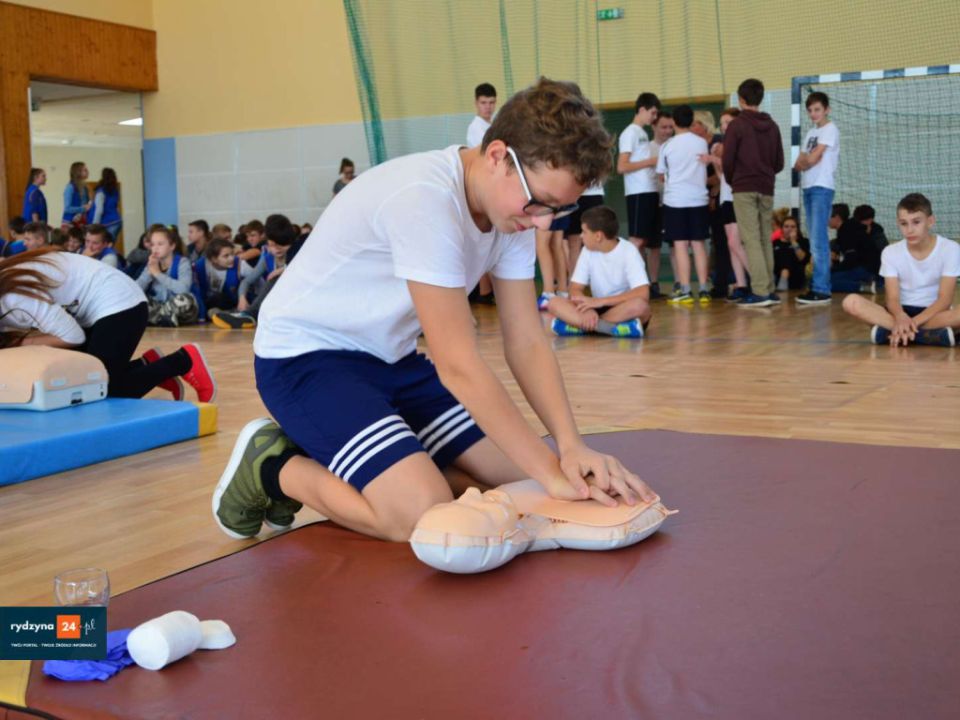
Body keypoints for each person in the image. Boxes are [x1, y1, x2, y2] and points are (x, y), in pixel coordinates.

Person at [212, 77, 657, 543]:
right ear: (497, 156)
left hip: (392, 361)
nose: (543, 221)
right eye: (540, 203)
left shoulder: (512, 215)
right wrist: (552, 474)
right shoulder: (425, 198)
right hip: (305, 359)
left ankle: (396, 462)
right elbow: (458, 365)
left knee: (519, 481)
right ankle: (272, 465)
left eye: (558, 211)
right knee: (418, 512)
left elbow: (526, 341)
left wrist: (569, 447)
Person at [0, 247, 215, 400]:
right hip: (98, 308)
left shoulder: (15, 299)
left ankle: (183, 360)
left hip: (122, 305)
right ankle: (146, 365)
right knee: (77, 376)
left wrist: (21, 343)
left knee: (103, 388)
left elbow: (73, 336)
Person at [842, 193, 959, 347]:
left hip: (934, 313)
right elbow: (892, 299)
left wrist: (911, 323)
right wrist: (900, 317)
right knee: (850, 302)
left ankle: (888, 332)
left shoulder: (950, 249)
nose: (909, 230)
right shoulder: (890, 252)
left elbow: (944, 300)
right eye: (904, 224)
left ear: (930, 221)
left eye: (916, 222)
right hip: (899, 312)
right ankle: (931, 336)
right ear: (898, 223)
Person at [722, 78, 785, 308]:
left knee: (750, 239)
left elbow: (727, 160)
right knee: (765, 238)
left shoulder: (737, 125)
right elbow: (779, 162)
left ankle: (760, 291)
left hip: (744, 188)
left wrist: (734, 180)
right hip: (766, 187)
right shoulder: (773, 126)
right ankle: (769, 289)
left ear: (741, 99)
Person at [547, 205, 650, 338]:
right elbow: (574, 288)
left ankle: (583, 327)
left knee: (641, 307)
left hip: (621, 308)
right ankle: (610, 328)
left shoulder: (629, 251)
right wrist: (587, 309)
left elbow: (643, 293)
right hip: (595, 309)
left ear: (598, 236)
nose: (581, 236)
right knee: (554, 302)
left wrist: (601, 301)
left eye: (584, 232)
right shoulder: (587, 251)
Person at [657, 105, 711, 304]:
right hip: (699, 199)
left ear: (674, 122)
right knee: (698, 244)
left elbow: (661, 175)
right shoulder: (701, 143)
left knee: (680, 245)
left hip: (675, 201)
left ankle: (685, 290)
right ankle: (704, 289)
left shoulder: (667, 146)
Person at [211, 214, 298, 330]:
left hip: (296, 297)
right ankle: (246, 314)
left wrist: (284, 270)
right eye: (272, 245)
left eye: (280, 244)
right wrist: (242, 298)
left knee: (275, 278)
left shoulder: (298, 251)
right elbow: (247, 281)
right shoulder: (267, 257)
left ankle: (250, 314)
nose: (276, 249)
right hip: (278, 301)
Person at [794, 92, 839, 305]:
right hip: (808, 187)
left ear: (827, 109)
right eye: (810, 110)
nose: (813, 114)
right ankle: (816, 286)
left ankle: (821, 289)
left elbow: (812, 158)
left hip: (822, 187)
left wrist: (809, 160)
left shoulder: (830, 129)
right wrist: (808, 161)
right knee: (813, 239)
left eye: (817, 109)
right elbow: (799, 162)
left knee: (819, 239)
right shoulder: (811, 133)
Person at [618, 93, 662, 291]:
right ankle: (625, 284)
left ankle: (642, 284)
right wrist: (650, 161)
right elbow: (622, 166)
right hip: (638, 192)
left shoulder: (642, 132)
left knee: (645, 240)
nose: (654, 117)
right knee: (636, 239)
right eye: (652, 113)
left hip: (650, 190)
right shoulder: (630, 133)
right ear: (642, 109)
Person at [711, 108, 750, 301]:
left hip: (738, 198)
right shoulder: (725, 145)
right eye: (722, 123)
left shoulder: (741, 144)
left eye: (728, 122)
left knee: (735, 242)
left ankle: (759, 281)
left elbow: (736, 172)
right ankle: (741, 285)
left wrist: (714, 158)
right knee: (731, 244)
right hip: (726, 198)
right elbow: (723, 177)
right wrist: (716, 162)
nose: (724, 126)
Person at [137, 225, 198, 327]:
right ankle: (165, 318)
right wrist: (149, 273)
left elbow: (183, 289)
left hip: (180, 308)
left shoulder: (182, 262)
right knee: (138, 302)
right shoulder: (151, 264)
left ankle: (159, 318)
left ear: (172, 246)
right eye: (152, 244)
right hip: (160, 305)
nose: (155, 248)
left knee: (186, 299)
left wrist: (158, 274)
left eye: (160, 244)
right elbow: (135, 289)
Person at [192, 237, 254, 316]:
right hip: (208, 303)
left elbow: (260, 283)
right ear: (214, 259)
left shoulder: (240, 264)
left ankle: (228, 314)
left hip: (235, 303)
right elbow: (196, 292)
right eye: (226, 256)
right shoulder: (199, 266)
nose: (231, 258)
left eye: (232, 254)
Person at [829, 204, 881, 294]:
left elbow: (851, 259)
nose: (826, 220)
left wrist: (834, 269)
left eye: (828, 216)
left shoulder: (847, 231)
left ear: (837, 217)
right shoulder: (847, 228)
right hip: (866, 268)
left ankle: (863, 286)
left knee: (821, 282)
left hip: (866, 269)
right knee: (823, 279)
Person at [563, 182, 605, 277]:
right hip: (573, 195)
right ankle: (574, 281)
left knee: (597, 240)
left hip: (593, 193)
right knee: (574, 242)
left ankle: (599, 280)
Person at [773, 216, 810, 290]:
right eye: (786, 226)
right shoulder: (775, 243)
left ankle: (783, 278)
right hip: (776, 274)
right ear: (782, 229)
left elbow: (802, 258)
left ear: (797, 229)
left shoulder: (803, 241)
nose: (789, 229)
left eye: (793, 227)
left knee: (786, 255)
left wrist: (793, 242)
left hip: (796, 274)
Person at [87, 167, 122, 242]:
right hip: (116, 221)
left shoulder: (101, 192)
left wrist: (94, 226)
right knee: (109, 245)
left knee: (103, 245)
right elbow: (116, 207)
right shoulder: (115, 191)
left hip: (107, 223)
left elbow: (99, 210)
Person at [467, 83, 497, 148]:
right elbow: (486, 151)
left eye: (491, 102)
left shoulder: (495, 124)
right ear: (476, 103)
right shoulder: (475, 127)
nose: (488, 107)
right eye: (483, 103)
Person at [62, 161, 91, 229]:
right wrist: (83, 208)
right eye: (85, 170)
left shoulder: (85, 187)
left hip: (81, 222)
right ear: (78, 172)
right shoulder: (70, 187)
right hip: (70, 223)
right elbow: (67, 208)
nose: (88, 172)